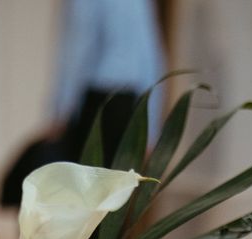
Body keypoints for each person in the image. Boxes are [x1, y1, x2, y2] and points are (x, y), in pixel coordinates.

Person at [49, 0, 165, 167]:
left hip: (96, 103)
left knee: (86, 184)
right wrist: (150, 128)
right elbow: (151, 57)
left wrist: (60, 110)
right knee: (119, 185)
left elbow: (79, 49)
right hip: (129, 104)